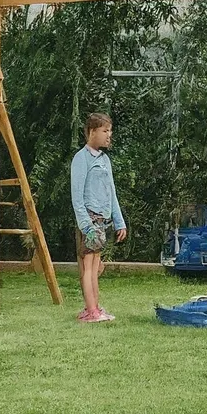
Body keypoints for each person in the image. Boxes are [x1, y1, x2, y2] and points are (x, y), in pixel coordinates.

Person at [71, 113, 127, 322]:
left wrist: (119, 222)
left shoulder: (105, 160)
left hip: (102, 221)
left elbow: (112, 193)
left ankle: (94, 308)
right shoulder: (81, 158)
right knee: (88, 265)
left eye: (110, 131)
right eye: (105, 131)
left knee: (96, 266)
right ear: (92, 131)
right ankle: (91, 310)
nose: (109, 135)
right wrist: (86, 226)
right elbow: (76, 197)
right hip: (89, 221)